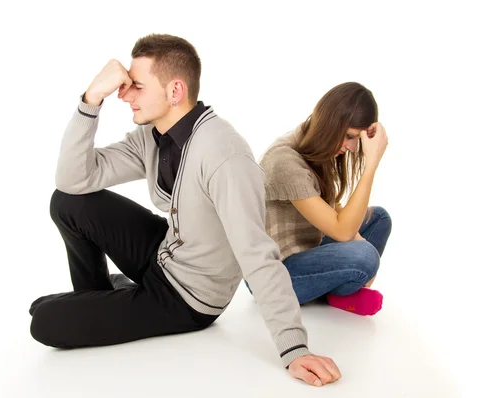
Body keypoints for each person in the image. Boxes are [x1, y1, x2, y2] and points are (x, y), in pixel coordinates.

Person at [28, 34, 341, 387]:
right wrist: (91, 99)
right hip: (166, 252)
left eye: (137, 87)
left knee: (42, 319)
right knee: (66, 202)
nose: (125, 95)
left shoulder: (225, 156)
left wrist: (294, 348)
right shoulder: (152, 135)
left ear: (175, 91)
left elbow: (257, 254)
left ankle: (105, 302)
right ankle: (97, 296)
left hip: (188, 297)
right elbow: (73, 180)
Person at [246, 82, 391, 316]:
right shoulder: (285, 161)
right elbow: (341, 231)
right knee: (364, 255)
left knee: (380, 218)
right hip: (275, 274)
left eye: (358, 140)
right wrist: (371, 165)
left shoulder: (316, 144)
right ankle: (338, 291)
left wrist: (360, 240)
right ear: (332, 124)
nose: (354, 148)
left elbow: (336, 213)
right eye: (350, 137)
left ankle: (333, 292)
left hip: (308, 247)